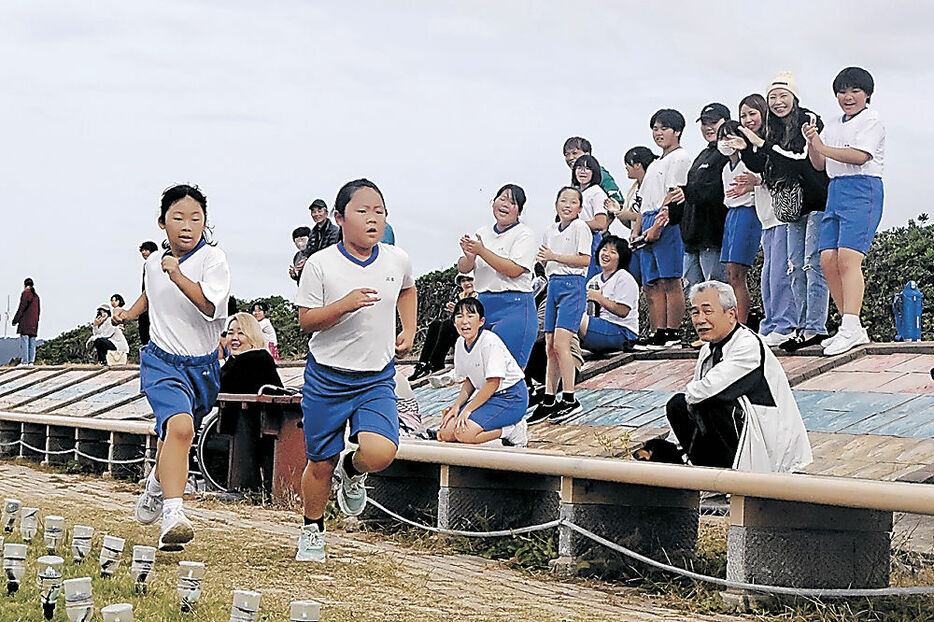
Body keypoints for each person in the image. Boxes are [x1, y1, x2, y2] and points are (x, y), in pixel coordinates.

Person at [293, 178, 417, 563]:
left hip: (376, 375)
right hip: (327, 377)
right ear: (339, 218)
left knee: (381, 452)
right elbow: (307, 320)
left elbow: (409, 289)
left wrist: (408, 328)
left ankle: (354, 466)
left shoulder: (397, 259)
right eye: (362, 211)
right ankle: (312, 528)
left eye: (379, 211)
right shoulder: (320, 264)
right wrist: (344, 305)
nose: (372, 219)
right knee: (320, 462)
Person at [115, 184, 230, 552]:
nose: (187, 225)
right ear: (162, 223)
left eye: (196, 218)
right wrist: (129, 314)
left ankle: (155, 483)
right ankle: (174, 515)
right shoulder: (153, 263)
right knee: (181, 427)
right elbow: (151, 293)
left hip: (203, 366)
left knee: (173, 434)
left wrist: (177, 274)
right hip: (162, 360)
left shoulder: (214, 261)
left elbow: (210, 307)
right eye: (178, 217)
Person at [638, 281, 812, 473]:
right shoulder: (708, 349)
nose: (700, 319)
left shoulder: (748, 345)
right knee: (677, 406)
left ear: (731, 314)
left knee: (712, 404)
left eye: (707, 311)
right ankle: (707, 471)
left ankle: (728, 475)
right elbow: (694, 394)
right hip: (739, 432)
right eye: (695, 312)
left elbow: (708, 389)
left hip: (771, 446)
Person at [740, 72, 829, 352]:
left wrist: (761, 143)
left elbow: (798, 158)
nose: (778, 102)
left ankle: (816, 326)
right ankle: (801, 327)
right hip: (791, 207)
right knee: (793, 267)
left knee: (813, 265)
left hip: (816, 201)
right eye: (773, 97)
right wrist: (744, 147)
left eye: (783, 96)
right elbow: (762, 163)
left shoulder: (808, 119)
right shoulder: (771, 128)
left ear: (794, 97)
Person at [806, 67, 885, 356]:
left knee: (850, 258)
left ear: (867, 94)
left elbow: (860, 156)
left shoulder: (872, 120)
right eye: (842, 91)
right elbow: (818, 163)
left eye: (855, 91)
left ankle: (850, 327)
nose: (847, 97)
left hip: (863, 189)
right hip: (836, 189)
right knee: (828, 259)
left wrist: (823, 147)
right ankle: (850, 327)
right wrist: (812, 141)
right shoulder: (831, 122)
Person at [726, 94, 796, 345]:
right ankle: (771, 323)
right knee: (767, 275)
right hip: (766, 217)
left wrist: (757, 180)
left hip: (783, 214)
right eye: (743, 115)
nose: (748, 119)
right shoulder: (750, 146)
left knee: (780, 273)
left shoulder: (771, 139)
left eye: (753, 113)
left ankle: (786, 324)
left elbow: (783, 167)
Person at [631, 109, 693, 349]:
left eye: (664, 128)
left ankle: (673, 332)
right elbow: (644, 200)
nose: (659, 133)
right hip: (648, 217)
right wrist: (638, 230)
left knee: (670, 279)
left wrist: (658, 224)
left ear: (676, 131)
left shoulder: (679, 158)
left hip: (665, 220)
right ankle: (658, 331)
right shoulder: (657, 161)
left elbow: (673, 194)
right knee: (652, 282)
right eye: (655, 128)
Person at [457, 184, 537, 368]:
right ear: (493, 202)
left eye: (512, 202)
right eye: (502, 198)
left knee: (507, 371)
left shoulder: (524, 234)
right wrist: (470, 256)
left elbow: (514, 270)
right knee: (480, 369)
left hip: (514, 306)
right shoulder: (482, 233)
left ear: (519, 211)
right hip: (483, 305)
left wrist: (481, 251)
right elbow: (464, 268)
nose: (505, 204)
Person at [530, 187, 591, 425]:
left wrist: (555, 257)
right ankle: (548, 398)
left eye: (573, 201)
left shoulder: (580, 227)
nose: (567, 205)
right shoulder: (549, 230)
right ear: (556, 204)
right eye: (563, 200)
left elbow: (584, 259)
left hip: (573, 285)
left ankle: (570, 397)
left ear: (579, 207)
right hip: (553, 285)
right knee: (549, 346)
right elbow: (544, 262)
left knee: (562, 343)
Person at [438, 298, 529, 447]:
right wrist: (457, 406)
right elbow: (469, 380)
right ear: (454, 322)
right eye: (459, 316)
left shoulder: (489, 341)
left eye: (470, 315)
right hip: (488, 398)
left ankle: (511, 430)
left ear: (481, 321)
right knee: (446, 432)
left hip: (511, 398)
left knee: (464, 434)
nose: (464, 321)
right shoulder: (460, 343)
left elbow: (493, 383)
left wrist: (467, 410)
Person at [668, 103, 731, 288]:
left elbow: (714, 191)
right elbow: (690, 191)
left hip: (713, 238)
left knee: (714, 292)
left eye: (714, 122)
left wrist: (687, 192)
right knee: (693, 294)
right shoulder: (703, 154)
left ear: (726, 122)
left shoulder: (729, 153)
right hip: (692, 239)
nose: (708, 127)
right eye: (704, 123)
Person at [717, 121, 762, 323]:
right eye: (722, 137)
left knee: (737, 273)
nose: (725, 142)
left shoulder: (748, 162)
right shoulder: (726, 167)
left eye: (729, 137)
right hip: (731, 215)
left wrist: (749, 188)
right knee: (729, 273)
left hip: (747, 213)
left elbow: (761, 183)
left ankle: (741, 323)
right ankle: (733, 321)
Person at [605, 146, 659, 280]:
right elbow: (630, 223)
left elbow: (649, 213)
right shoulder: (634, 189)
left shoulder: (654, 184)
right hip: (636, 242)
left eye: (627, 165)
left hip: (650, 238)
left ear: (637, 165)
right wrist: (618, 213)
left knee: (655, 282)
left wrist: (626, 214)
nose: (626, 168)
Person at [578, 235, 639, 354]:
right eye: (604, 249)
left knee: (574, 318)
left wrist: (598, 298)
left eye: (613, 252)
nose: (606, 254)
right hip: (598, 325)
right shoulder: (594, 280)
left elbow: (623, 311)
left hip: (623, 332)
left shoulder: (624, 278)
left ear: (621, 258)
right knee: (567, 315)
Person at [409, 273, 475, 380]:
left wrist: (459, 311)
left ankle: (436, 362)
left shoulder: (481, 295)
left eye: (470, 280)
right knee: (435, 324)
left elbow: (476, 318)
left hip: (472, 332)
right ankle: (423, 363)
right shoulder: (462, 296)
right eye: (463, 281)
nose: (466, 283)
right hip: (462, 329)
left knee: (447, 324)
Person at [219, 313, 282, 394]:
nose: (234, 337)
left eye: (241, 333)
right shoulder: (231, 362)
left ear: (253, 336)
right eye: (230, 333)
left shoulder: (258, 360)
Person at [571, 154, 610, 280]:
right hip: (573, 240)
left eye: (587, 168)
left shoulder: (597, 193)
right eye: (579, 167)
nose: (582, 171)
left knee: (590, 280)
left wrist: (575, 224)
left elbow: (601, 223)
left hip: (590, 240)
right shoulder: (576, 192)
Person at [562, 137, 623, 203]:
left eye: (575, 153)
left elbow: (618, 201)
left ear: (587, 154)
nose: (570, 158)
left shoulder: (600, 173)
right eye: (567, 155)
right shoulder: (576, 177)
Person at [11, 278, 40, 366]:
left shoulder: (25, 293)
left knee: (25, 341)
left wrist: (15, 320)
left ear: (25, 285)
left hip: (26, 321)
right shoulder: (36, 296)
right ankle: (31, 361)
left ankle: (25, 361)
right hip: (34, 322)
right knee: (32, 342)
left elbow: (21, 308)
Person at [138, 241, 159, 345]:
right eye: (142, 250)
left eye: (146, 250)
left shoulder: (157, 263)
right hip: (147, 299)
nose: (143, 252)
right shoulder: (147, 265)